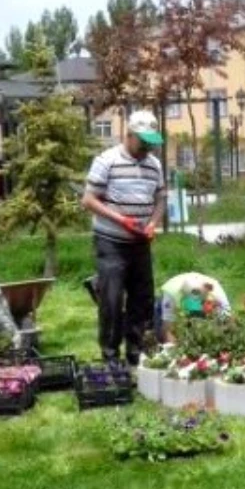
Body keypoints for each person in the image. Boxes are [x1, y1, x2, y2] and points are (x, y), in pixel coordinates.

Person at [81, 110, 167, 366]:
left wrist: (153, 223)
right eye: (143, 142)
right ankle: (110, 354)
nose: (148, 147)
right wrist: (121, 220)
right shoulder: (107, 160)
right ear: (128, 135)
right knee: (112, 299)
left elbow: (161, 199)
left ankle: (135, 350)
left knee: (142, 298)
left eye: (151, 142)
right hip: (111, 242)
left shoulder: (155, 164)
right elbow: (88, 200)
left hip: (140, 243)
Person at [155, 272, 231, 343]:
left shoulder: (217, 292)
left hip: (207, 303)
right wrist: (175, 351)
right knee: (159, 335)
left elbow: (227, 321)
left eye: (199, 301)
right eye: (191, 301)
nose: (195, 304)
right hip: (173, 303)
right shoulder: (171, 292)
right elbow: (167, 330)